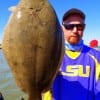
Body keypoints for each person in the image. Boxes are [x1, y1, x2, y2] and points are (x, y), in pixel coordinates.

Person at [43, 8, 100, 100]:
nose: (75, 30)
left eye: (80, 26)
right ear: (62, 29)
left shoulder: (97, 56)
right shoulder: (49, 54)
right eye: (69, 26)